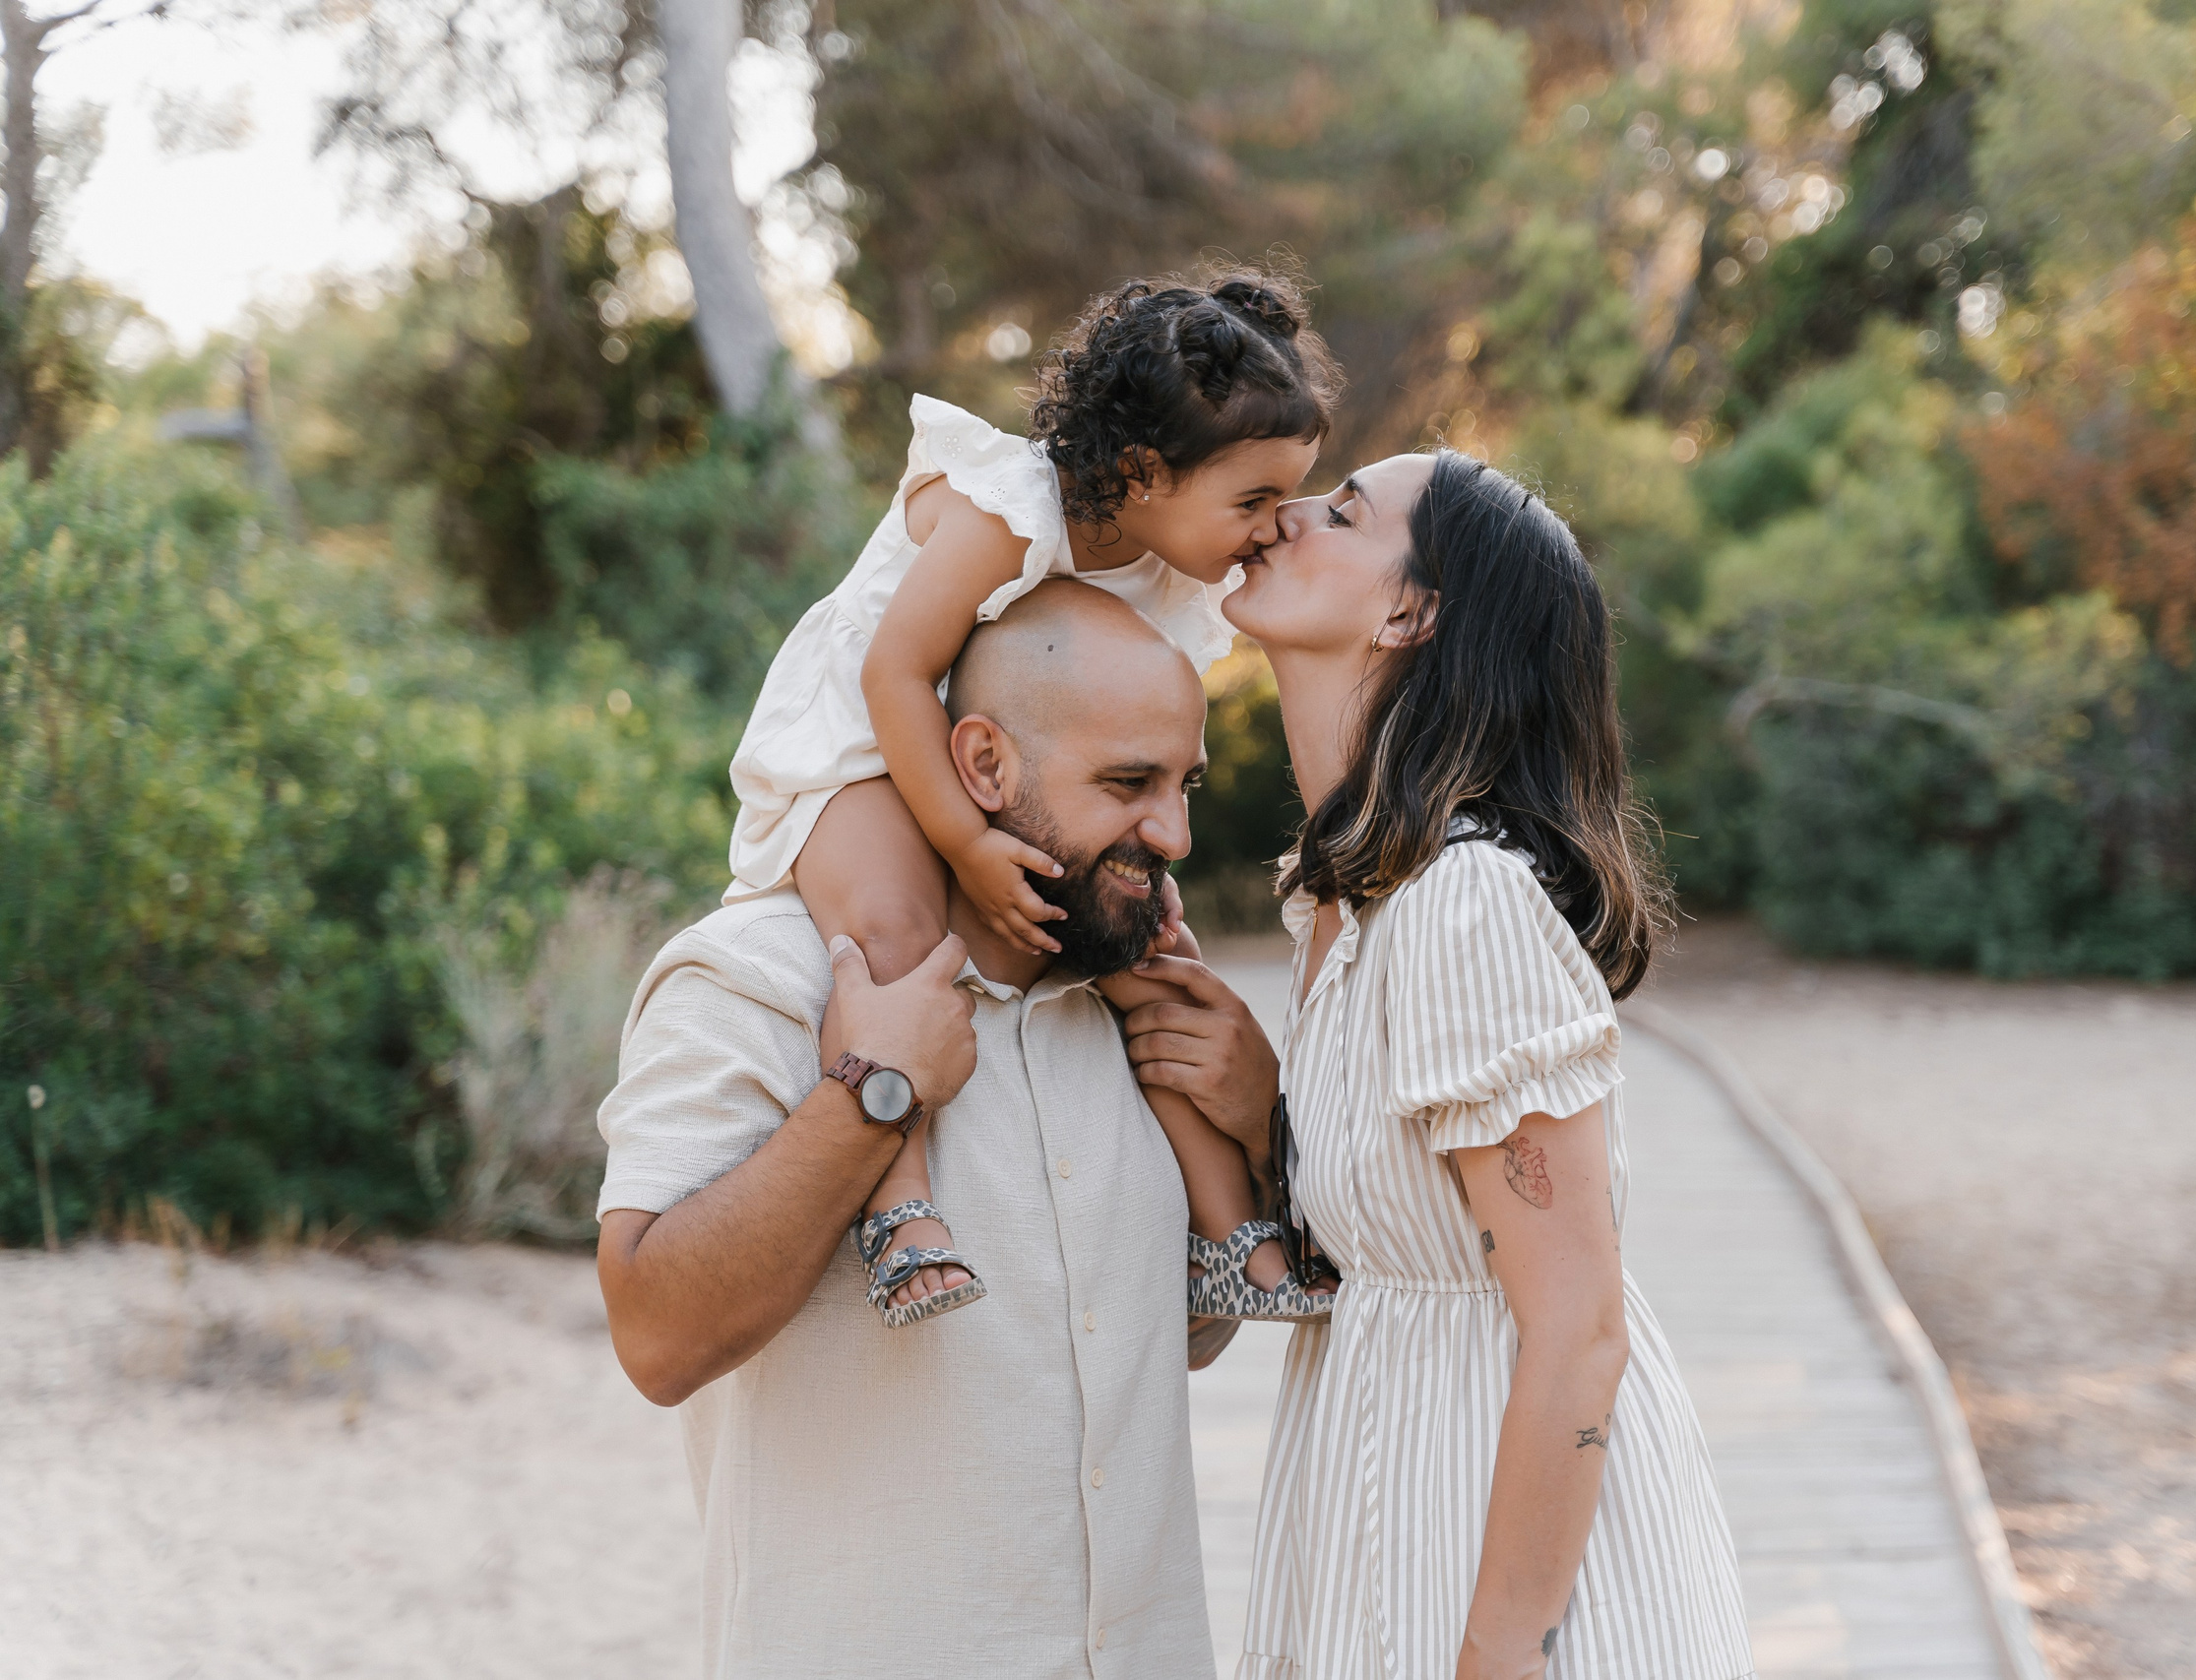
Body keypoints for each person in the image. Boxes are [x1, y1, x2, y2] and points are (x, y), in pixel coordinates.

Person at [595, 583, 1286, 1677]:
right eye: (1128, 783)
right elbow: (655, 1336)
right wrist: (872, 1097)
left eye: (1183, 784)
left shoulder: (1131, 1006)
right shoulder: (755, 982)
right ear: (983, 764)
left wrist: (1255, 1132)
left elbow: (1172, 1342)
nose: (1175, 833)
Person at [1176, 450, 1759, 1679]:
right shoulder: (1342, 900)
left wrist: (1499, 1651)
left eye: (1340, 512)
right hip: (1379, 1493)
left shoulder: (1462, 902)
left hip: (1499, 1546)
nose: (1284, 514)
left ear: (1410, 613)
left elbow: (1578, 1326)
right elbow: (1389, 1233)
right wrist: (1264, 1106)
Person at [724, 266, 1344, 1327]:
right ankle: (900, 1207)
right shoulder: (1010, 511)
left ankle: (1229, 1236)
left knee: (1154, 954)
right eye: (1252, 500)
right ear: (1144, 471)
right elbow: (892, 673)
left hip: (1000, 752)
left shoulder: (1169, 564)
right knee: (893, 935)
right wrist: (967, 847)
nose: (1270, 526)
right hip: (862, 738)